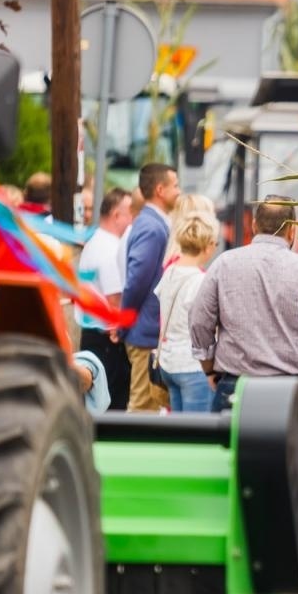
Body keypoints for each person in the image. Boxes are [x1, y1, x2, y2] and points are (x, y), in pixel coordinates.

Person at [190, 201, 298, 412]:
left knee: (234, 445)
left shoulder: (224, 264)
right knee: (283, 446)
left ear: (254, 225)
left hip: (236, 384)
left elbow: (199, 321)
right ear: (292, 230)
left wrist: (209, 368)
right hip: (290, 389)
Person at [120, 163, 181, 412]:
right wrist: (125, 319)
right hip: (144, 332)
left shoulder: (152, 223)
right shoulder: (152, 227)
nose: (179, 191)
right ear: (160, 189)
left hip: (145, 330)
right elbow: (137, 280)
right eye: (175, 185)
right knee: (142, 407)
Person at [155, 211, 219, 412]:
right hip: (192, 366)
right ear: (208, 246)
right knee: (197, 436)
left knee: (180, 435)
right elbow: (203, 326)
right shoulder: (200, 281)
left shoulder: (170, 272)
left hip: (168, 363)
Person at [78, 188, 135, 410]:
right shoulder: (110, 249)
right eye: (130, 212)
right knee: (112, 405)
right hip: (108, 340)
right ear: (116, 215)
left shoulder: (93, 243)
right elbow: (115, 299)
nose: (133, 219)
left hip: (91, 335)